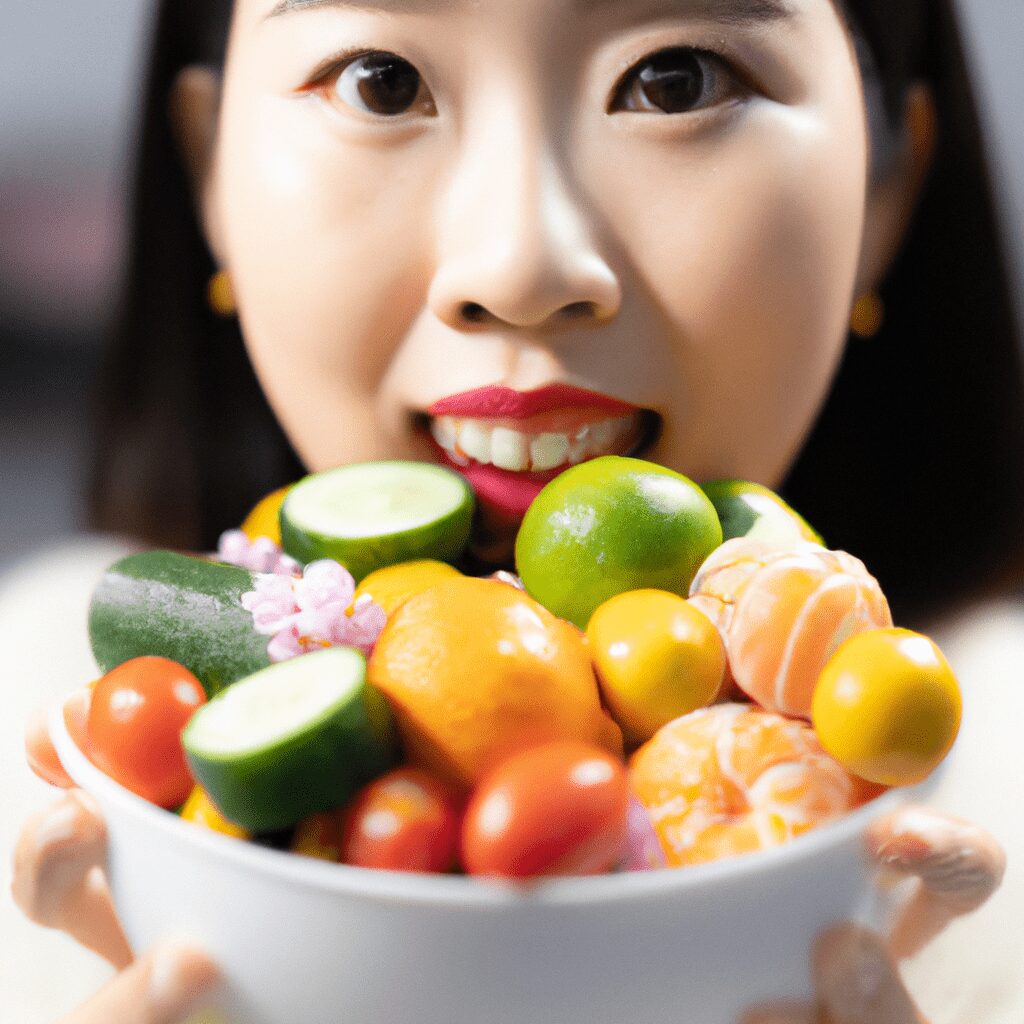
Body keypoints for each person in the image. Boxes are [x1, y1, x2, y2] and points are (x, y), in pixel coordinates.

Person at [5, 0, 1023, 1020]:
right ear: (210, 172)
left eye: (679, 80)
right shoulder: (37, 719)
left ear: (883, 189)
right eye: (381, 80)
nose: (520, 266)